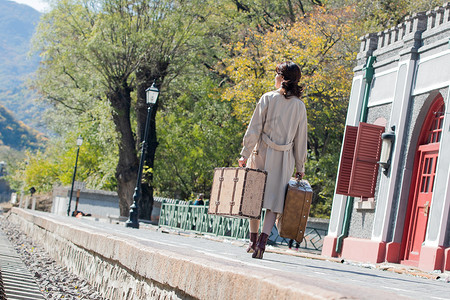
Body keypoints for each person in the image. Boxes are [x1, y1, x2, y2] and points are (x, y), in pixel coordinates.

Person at [238, 61, 307, 259]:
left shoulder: (267, 98)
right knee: (274, 202)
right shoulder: (299, 107)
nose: (274, 77)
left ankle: (252, 240)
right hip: (284, 158)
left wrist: (244, 154)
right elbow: (301, 140)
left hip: (261, 153)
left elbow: (254, 128)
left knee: (254, 197)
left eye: (276, 74)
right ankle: (262, 242)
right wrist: (300, 166)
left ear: (281, 77)